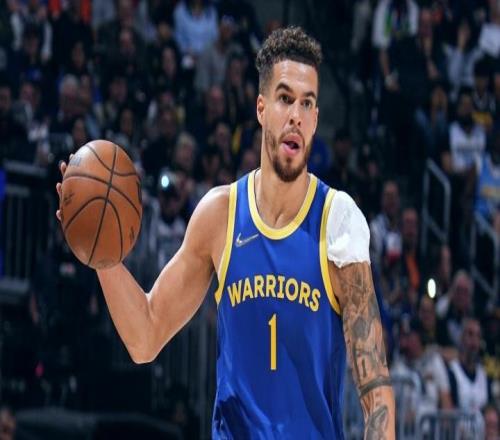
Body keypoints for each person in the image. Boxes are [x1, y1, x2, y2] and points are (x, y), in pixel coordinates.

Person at [56, 26, 395, 438]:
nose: (296, 115)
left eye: (307, 103)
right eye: (285, 98)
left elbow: (375, 387)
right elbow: (145, 337)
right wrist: (102, 254)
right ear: (261, 108)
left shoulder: (337, 219)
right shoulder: (220, 215)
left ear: (316, 119)